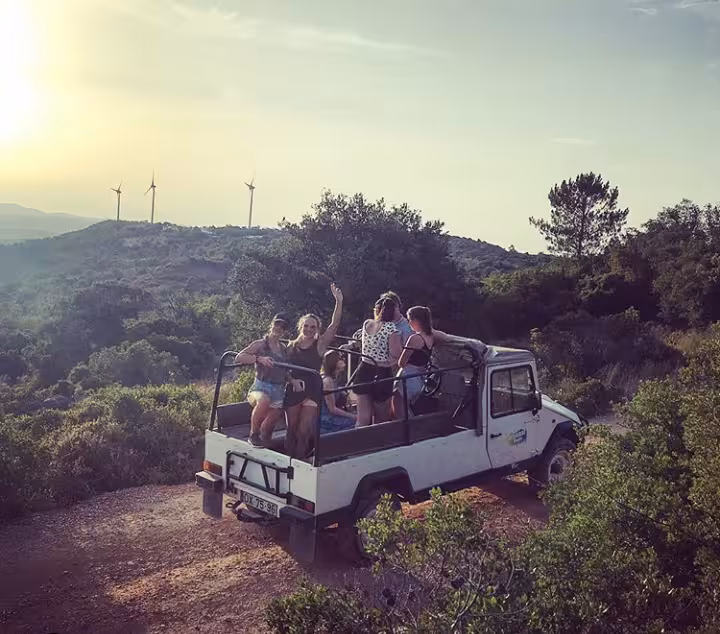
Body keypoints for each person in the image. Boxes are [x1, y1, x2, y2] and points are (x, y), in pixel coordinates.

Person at [284, 283, 344, 458]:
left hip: (311, 390)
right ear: (301, 326)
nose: (309, 329)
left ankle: (299, 465)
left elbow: (334, 324)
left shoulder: (320, 345)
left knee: (303, 433)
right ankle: (286, 462)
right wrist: (291, 381)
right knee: (290, 430)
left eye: (313, 327)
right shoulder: (291, 346)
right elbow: (284, 370)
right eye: (306, 326)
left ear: (317, 328)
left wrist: (338, 302)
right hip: (294, 389)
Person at [234, 314, 303, 447]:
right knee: (264, 400)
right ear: (272, 325)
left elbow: (284, 371)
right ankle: (253, 434)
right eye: (277, 324)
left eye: (283, 327)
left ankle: (263, 444)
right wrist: (259, 359)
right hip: (260, 387)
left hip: (278, 390)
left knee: (271, 422)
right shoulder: (260, 344)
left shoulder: (284, 348)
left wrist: (292, 380)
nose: (279, 328)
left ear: (285, 330)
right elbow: (239, 357)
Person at [353, 296, 403, 426]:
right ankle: (380, 444)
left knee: (362, 417)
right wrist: (388, 362)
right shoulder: (391, 328)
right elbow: (396, 353)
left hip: (363, 370)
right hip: (381, 373)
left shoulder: (367, 324)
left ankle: (359, 442)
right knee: (381, 418)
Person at [393, 306, 435, 417]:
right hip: (421, 378)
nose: (409, 322)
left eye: (409, 319)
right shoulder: (430, 336)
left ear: (416, 321)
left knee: (401, 410)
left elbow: (401, 362)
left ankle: (409, 432)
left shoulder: (415, 339)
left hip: (408, 377)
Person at [319, 350, 356, 434]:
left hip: (328, 417)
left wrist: (341, 391)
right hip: (326, 420)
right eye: (340, 358)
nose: (343, 360)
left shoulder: (331, 379)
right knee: (356, 422)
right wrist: (354, 416)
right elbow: (332, 409)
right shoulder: (327, 381)